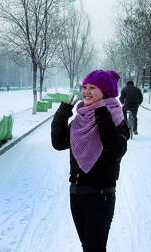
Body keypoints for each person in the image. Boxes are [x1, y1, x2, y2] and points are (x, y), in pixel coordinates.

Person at [51, 70, 129, 252]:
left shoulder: (116, 117)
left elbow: (115, 151)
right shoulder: (80, 119)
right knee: (88, 246)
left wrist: (102, 114)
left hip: (100, 195)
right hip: (76, 192)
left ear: (105, 92)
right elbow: (59, 143)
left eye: (93, 87)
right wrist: (63, 113)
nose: (86, 91)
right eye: (84, 87)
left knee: (95, 248)